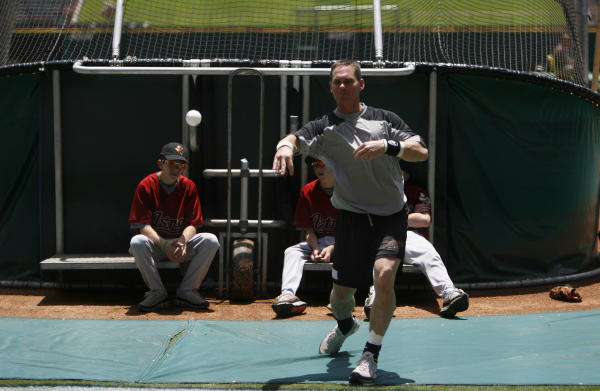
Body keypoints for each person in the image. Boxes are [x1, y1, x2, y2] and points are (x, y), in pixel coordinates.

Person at [272, 60, 428, 385]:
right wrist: (284, 146)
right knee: (340, 298)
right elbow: (296, 139)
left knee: (384, 275)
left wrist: (388, 146)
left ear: (361, 84)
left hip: (389, 218)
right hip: (352, 220)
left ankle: (371, 353)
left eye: (347, 81)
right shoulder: (324, 127)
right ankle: (346, 326)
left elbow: (420, 151)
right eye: (336, 82)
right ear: (331, 87)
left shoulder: (385, 120)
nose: (342, 86)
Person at [363, 169, 468, 319]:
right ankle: (377, 298)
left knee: (428, 252)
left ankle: (449, 294)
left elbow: (424, 221)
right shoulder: (377, 193)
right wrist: (409, 217)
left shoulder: (415, 191)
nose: (396, 175)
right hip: (385, 237)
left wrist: (392, 220)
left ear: (406, 176)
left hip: (410, 236)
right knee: (381, 258)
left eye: (400, 172)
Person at [128, 142, 220, 312]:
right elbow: (143, 226)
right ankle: (157, 292)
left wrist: (183, 241)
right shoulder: (146, 185)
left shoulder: (188, 186)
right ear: (160, 163)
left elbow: (193, 223)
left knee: (211, 240)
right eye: (171, 163)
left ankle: (187, 290)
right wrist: (164, 244)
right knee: (137, 242)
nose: (176, 168)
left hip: (179, 245)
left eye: (181, 165)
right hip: (157, 244)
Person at [272, 157, 337, 317]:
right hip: (319, 241)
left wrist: (333, 248)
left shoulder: (348, 191)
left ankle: (341, 299)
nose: (318, 168)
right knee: (292, 252)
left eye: (323, 164)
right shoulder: (308, 190)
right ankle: (287, 295)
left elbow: (353, 231)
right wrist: (315, 249)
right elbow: (308, 230)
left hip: (345, 242)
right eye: (316, 164)